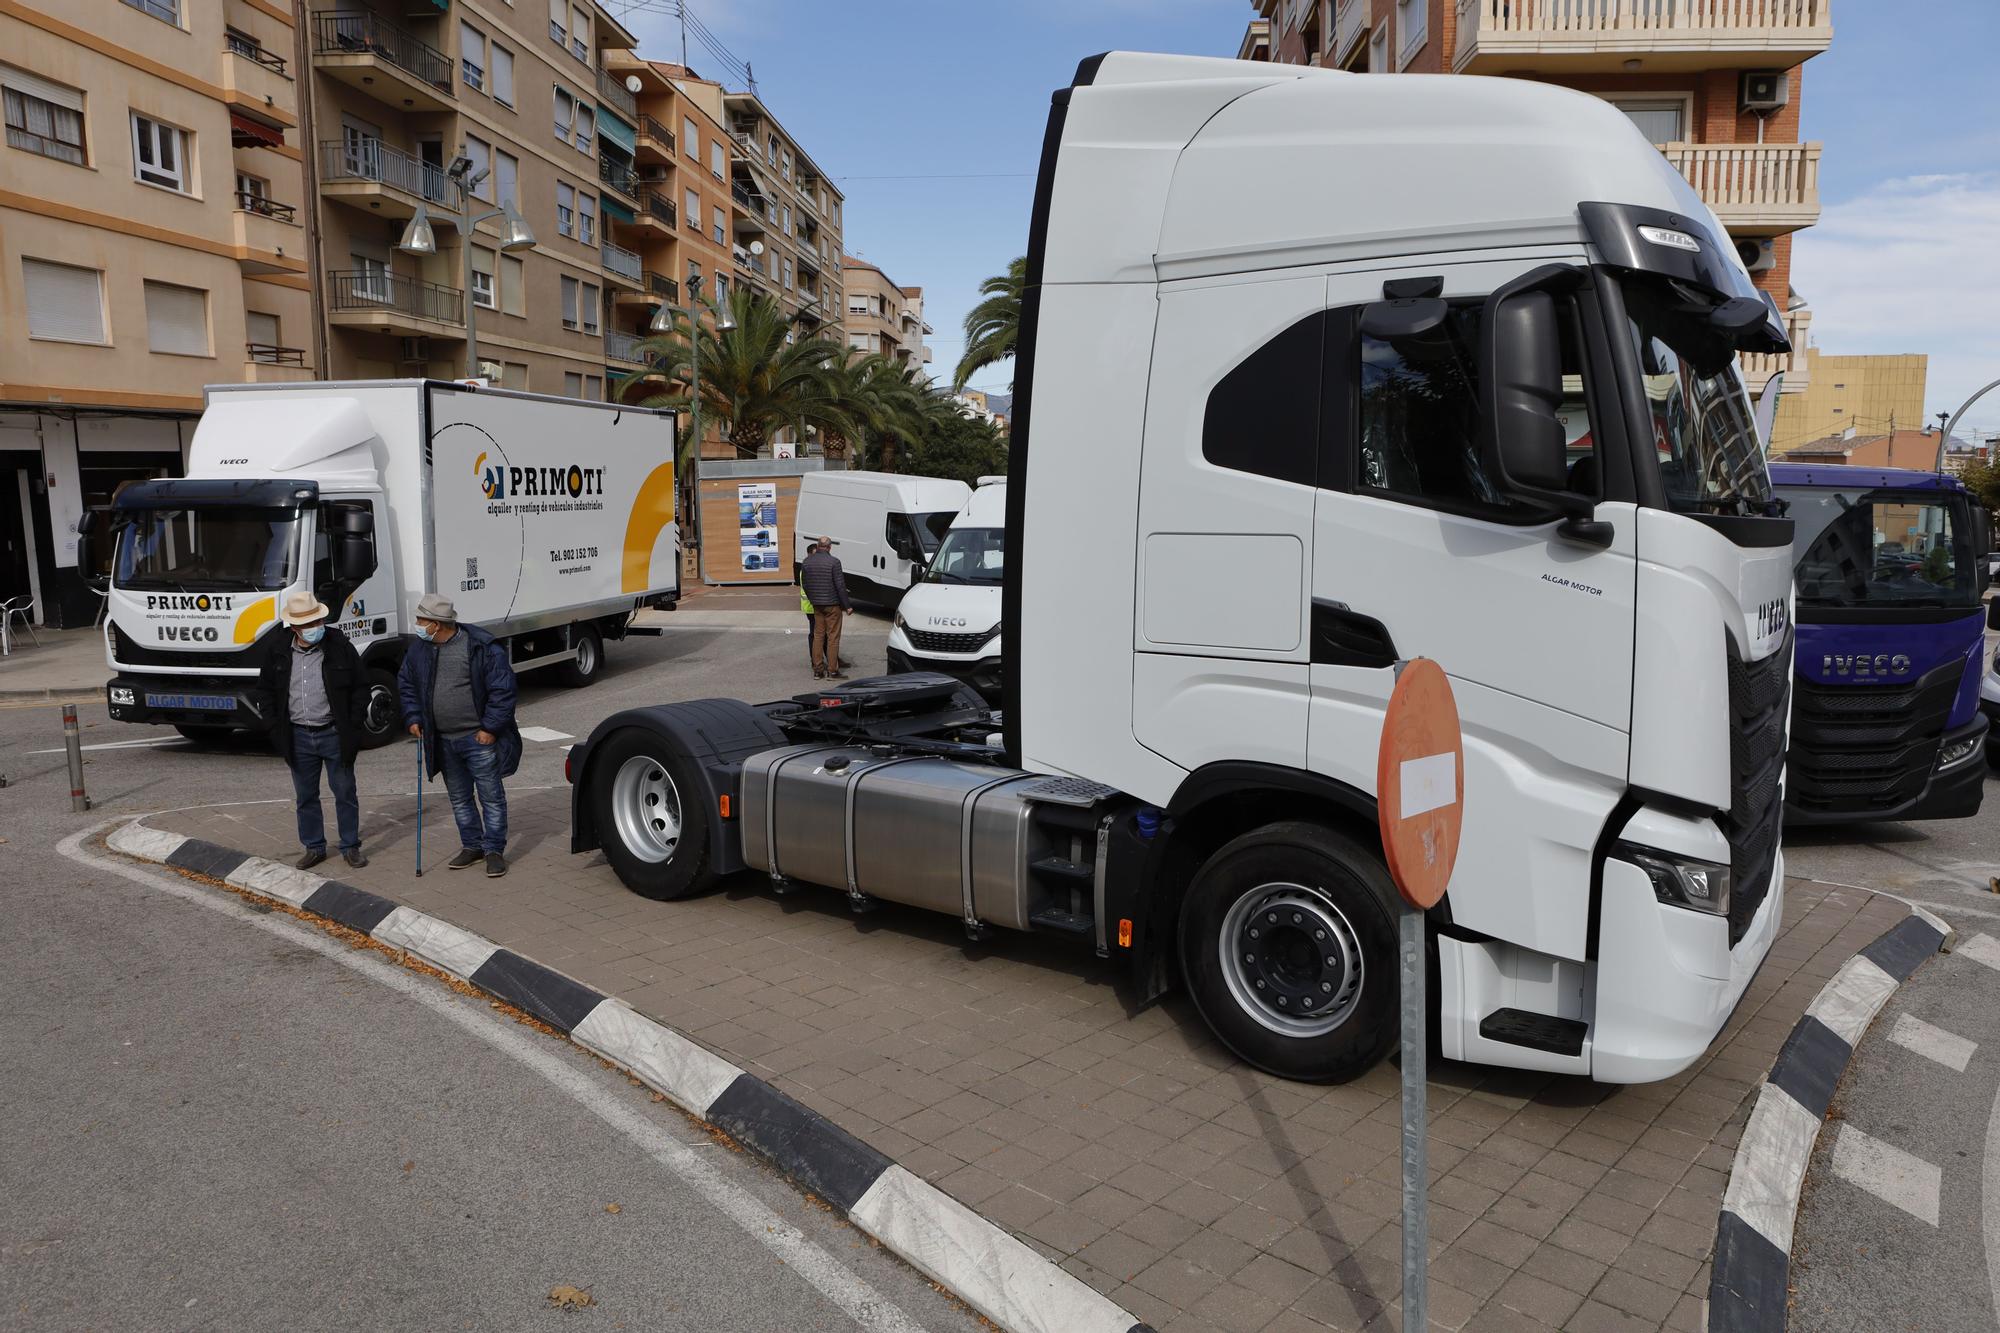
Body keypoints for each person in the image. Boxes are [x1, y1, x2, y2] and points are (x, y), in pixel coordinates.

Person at [397, 593, 521, 877]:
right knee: (460, 798)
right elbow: (406, 683)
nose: (417, 625)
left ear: (437, 625)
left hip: (477, 739)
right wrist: (413, 717)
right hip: (443, 739)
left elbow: (503, 690)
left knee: (491, 797)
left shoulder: (481, 646)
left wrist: (490, 729)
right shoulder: (420, 649)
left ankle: (493, 850)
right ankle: (472, 846)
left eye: (421, 620)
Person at [258, 590, 368, 871]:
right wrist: (273, 729)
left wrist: (353, 725)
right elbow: (266, 691)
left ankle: (350, 846)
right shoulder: (277, 648)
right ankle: (314, 846)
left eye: (316, 622)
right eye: (307, 625)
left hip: (334, 733)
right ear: (294, 627)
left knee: (345, 791)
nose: (314, 629)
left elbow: (360, 687)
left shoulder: (339, 645)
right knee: (306, 796)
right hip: (297, 735)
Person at [799, 534, 851, 680]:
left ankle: (818, 670)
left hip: (817, 605)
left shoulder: (807, 562)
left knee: (818, 636)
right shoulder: (834, 562)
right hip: (832, 605)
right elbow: (840, 586)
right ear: (829, 547)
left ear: (817, 545)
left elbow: (805, 584)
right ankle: (833, 671)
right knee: (833, 637)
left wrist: (813, 599)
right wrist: (847, 606)